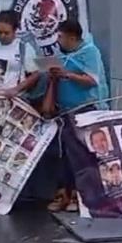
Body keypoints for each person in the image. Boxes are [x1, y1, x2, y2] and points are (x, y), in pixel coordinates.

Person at [46, 20, 109, 212]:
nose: (58, 40)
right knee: (64, 156)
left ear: (72, 37)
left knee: (82, 156)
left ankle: (81, 196)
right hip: (64, 111)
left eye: (60, 37)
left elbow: (91, 80)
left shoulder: (89, 52)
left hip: (85, 110)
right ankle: (64, 193)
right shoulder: (62, 56)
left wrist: (67, 75)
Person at [0, 10, 40, 98]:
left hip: (12, 97)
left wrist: (16, 89)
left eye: (6, 33)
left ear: (15, 30)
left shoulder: (23, 47)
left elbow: (35, 74)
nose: (2, 36)